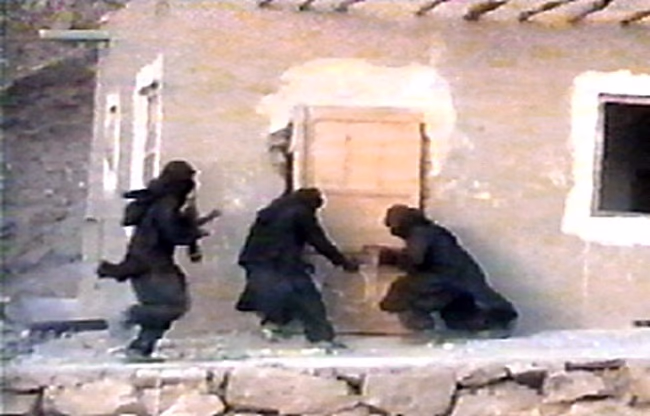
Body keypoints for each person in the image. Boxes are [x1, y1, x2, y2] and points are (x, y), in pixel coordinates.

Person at [96, 160, 216, 360]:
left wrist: (196, 224)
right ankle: (128, 316)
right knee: (172, 306)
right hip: (151, 264)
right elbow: (171, 232)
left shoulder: (161, 200)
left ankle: (141, 348)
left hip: (148, 262)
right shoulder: (167, 203)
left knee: (165, 306)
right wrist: (193, 234)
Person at [236, 188, 359, 349]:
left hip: (257, 261)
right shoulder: (301, 212)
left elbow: (271, 239)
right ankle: (321, 338)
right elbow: (319, 240)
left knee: (275, 296)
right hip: (281, 262)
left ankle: (273, 326)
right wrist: (342, 261)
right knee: (308, 300)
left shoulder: (272, 211)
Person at [378, 204, 518, 335]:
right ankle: (495, 321)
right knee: (456, 317)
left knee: (402, 290)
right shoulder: (432, 232)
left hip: (450, 279)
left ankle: (424, 329)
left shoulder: (421, 233)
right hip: (457, 280)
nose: (393, 231)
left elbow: (414, 260)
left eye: (393, 226)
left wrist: (390, 258)